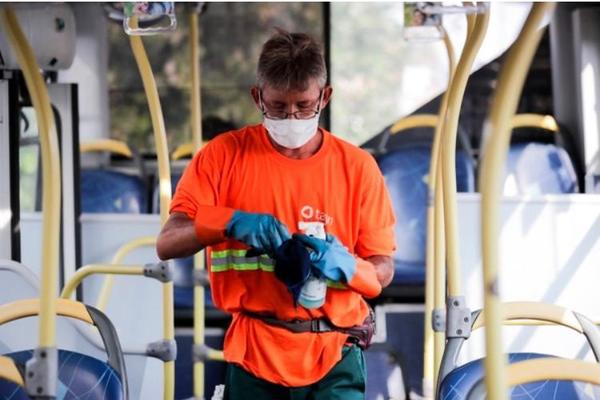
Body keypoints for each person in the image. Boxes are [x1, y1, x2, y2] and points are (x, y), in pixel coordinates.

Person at [156, 28, 396, 399]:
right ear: (257, 97)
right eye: (278, 107)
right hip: (254, 352)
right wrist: (229, 222)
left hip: (335, 352)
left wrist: (349, 266)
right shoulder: (221, 158)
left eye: (303, 106)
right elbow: (168, 241)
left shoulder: (358, 168)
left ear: (325, 97)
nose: (291, 118)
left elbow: (382, 268)